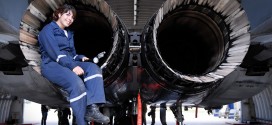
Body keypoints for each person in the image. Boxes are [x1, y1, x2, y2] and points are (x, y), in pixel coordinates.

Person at [38, 4, 110, 125]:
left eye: (72, 17)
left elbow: (72, 54)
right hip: (51, 64)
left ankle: (92, 108)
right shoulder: (48, 30)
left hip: (67, 62)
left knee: (93, 68)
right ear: (59, 14)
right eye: (68, 14)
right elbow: (56, 54)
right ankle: (81, 121)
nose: (70, 19)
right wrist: (73, 66)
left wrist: (80, 58)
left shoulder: (69, 33)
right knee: (77, 83)